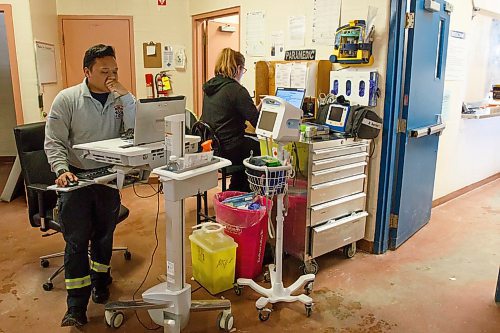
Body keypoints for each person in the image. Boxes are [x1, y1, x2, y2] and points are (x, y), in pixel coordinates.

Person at [44, 44, 136, 327]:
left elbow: (135, 131)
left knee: (104, 236)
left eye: (115, 70)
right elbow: (54, 141)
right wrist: (61, 170)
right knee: (75, 242)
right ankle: (76, 306)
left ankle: (101, 282)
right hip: (77, 177)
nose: (111, 76)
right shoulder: (67, 99)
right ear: (87, 71)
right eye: (104, 71)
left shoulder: (119, 99)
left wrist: (126, 94)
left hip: (108, 178)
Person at [201, 48, 261, 192]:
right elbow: (258, 123)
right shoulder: (237, 90)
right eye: (243, 70)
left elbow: (229, 112)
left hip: (212, 147)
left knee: (247, 145)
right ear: (238, 68)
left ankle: (234, 188)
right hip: (229, 149)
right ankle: (244, 191)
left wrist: (255, 108)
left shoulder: (211, 87)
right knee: (260, 149)